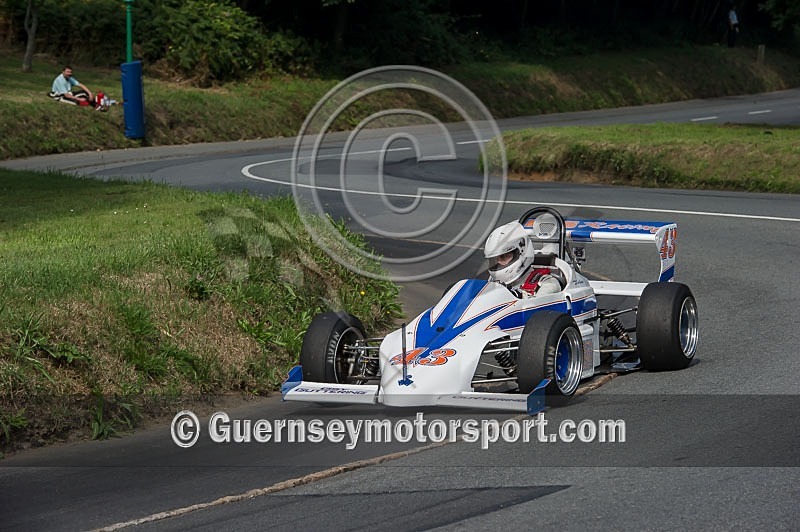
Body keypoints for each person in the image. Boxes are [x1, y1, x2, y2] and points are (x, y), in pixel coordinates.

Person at [484, 221, 562, 297]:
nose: (498, 263)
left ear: (522, 252)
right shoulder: (492, 281)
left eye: (504, 257)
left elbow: (534, 307)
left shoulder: (548, 284)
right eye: (494, 260)